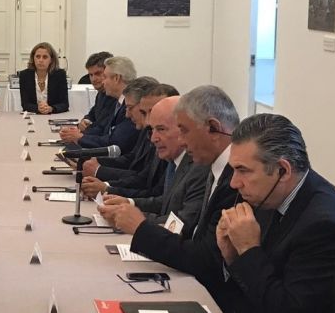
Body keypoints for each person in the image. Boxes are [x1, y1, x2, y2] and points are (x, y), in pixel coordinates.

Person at [99, 85, 240, 309]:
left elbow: (206, 257)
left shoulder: (232, 176)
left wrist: (141, 227)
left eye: (184, 130)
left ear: (213, 128)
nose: (182, 141)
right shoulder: (213, 166)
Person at [215, 113, 335, 312]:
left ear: (283, 171)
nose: (234, 183)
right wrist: (233, 257)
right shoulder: (269, 196)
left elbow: (290, 308)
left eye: (243, 170)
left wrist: (248, 250)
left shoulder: (324, 225)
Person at [98, 96, 209, 238]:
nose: (153, 138)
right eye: (153, 130)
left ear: (183, 130)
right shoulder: (176, 160)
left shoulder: (199, 167)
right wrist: (129, 203)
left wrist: (135, 221)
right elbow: (165, 202)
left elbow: (182, 224)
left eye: (161, 129)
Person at [59, 52, 116, 143]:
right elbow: (93, 113)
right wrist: (86, 120)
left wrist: (80, 135)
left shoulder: (115, 97)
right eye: (91, 75)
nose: (93, 79)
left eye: (98, 73)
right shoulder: (101, 93)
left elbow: (103, 128)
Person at [18, 42, 69, 114]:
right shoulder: (25, 75)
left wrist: (51, 109)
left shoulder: (60, 75)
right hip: (34, 115)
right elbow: (25, 104)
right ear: (33, 58)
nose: (41, 60)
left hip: (53, 116)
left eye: (45, 57)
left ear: (51, 60)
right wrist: (37, 108)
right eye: (38, 56)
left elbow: (65, 104)